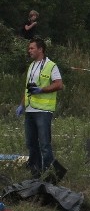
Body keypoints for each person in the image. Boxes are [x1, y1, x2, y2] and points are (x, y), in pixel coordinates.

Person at [17, 38, 63, 179]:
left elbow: (59, 84)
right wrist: (21, 105)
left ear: (40, 49)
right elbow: (28, 89)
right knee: (31, 143)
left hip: (43, 111)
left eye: (32, 48)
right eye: (29, 48)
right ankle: (35, 173)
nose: (29, 50)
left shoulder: (51, 65)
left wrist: (41, 90)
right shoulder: (31, 66)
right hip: (30, 110)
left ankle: (50, 174)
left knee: (44, 144)